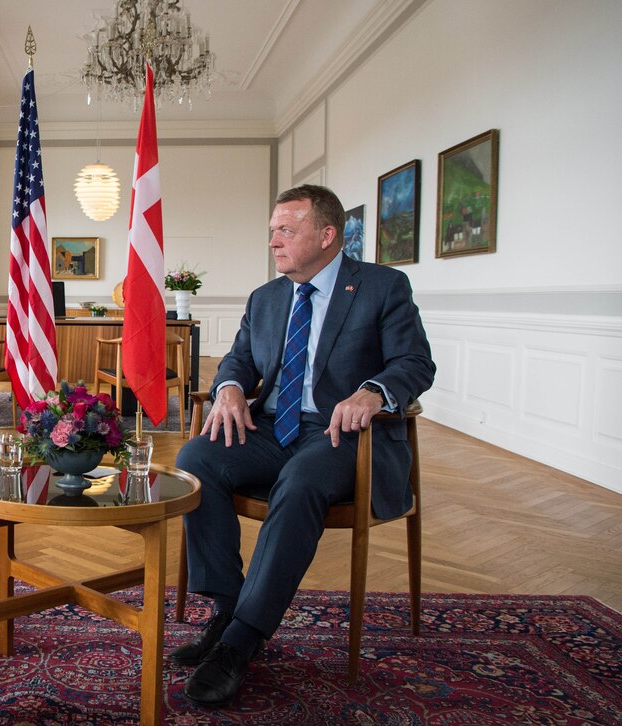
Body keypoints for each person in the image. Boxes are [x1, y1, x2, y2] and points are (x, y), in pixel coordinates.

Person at [172, 185, 435, 706]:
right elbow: (239, 362)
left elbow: (415, 364)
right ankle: (226, 609)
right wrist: (227, 389)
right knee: (195, 459)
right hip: (272, 428)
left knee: (301, 482)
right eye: (272, 230)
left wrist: (373, 391)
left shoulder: (383, 287)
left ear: (327, 234)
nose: (274, 241)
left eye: (286, 230)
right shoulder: (266, 298)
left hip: (345, 435)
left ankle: (242, 640)